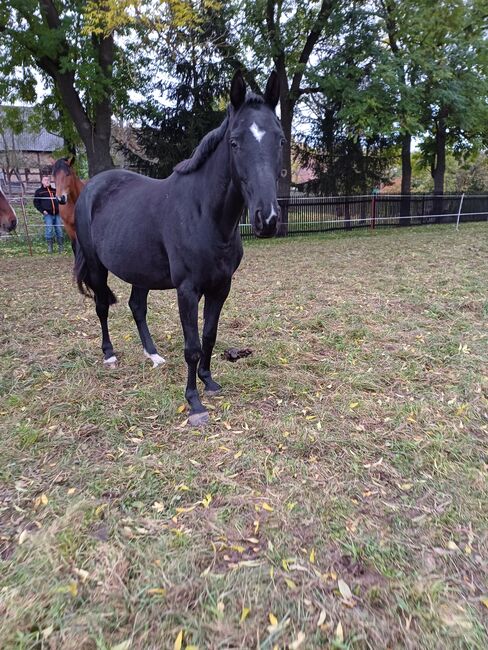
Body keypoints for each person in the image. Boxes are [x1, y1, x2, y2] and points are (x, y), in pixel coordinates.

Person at [33, 174, 64, 253]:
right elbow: (36, 203)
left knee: (59, 230)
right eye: (45, 180)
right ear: (42, 181)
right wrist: (42, 210)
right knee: (49, 230)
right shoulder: (39, 192)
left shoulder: (55, 190)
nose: (47, 181)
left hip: (57, 214)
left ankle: (61, 247)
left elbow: (60, 200)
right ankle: (50, 247)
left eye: (48, 180)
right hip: (48, 214)